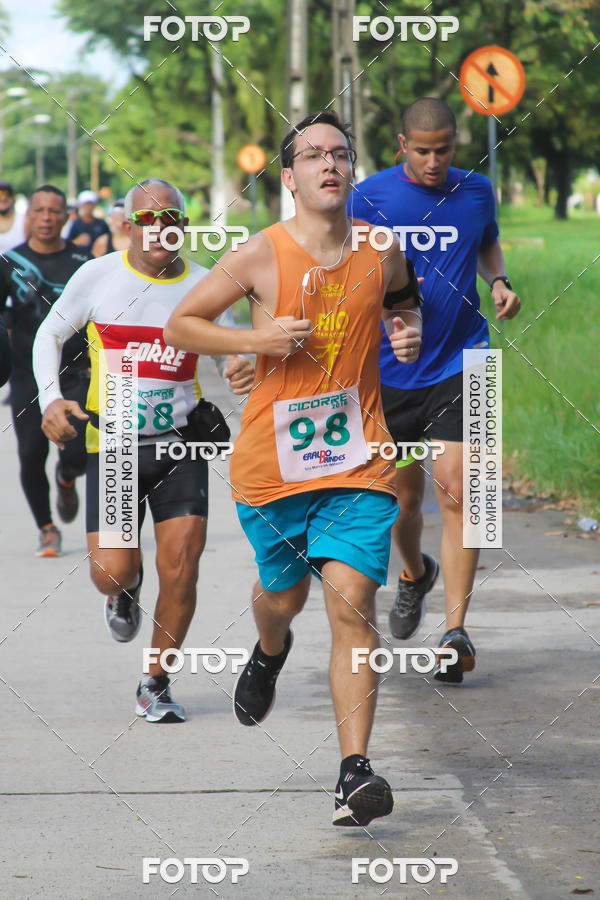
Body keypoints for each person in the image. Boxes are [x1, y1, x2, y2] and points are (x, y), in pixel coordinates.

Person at [164, 111, 423, 826]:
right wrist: (255, 339)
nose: (329, 164)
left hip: (360, 461)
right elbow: (181, 324)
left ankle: (353, 772)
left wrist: (409, 332)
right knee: (284, 599)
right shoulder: (257, 255)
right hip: (272, 470)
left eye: (340, 153)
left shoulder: (382, 249)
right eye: (312, 155)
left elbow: (404, 300)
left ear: (353, 170)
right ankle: (270, 649)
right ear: (289, 177)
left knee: (351, 605)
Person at [33, 178, 254, 723]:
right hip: (113, 446)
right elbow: (48, 336)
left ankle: (156, 681)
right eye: (148, 220)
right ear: (127, 227)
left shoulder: (205, 284)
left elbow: (234, 348)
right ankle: (122, 592)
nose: (161, 229)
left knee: (182, 567)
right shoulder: (97, 276)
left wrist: (240, 363)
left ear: (184, 226)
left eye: (172, 219)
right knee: (110, 572)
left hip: (180, 446)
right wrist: (50, 400)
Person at [351, 98, 521, 683]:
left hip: (465, 359)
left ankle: (455, 631)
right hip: (384, 369)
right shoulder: (367, 196)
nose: (432, 161)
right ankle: (413, 573)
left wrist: (498, 280)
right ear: (402, 145)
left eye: (443, 149)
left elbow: (485, 242)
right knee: (400, 500)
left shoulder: (477, 190)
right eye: (422, 151)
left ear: (456, 142)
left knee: (464, 491)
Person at [0, 184, 92, 556]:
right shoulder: (9, 263)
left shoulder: (86, 264)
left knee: (76, 453)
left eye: (54, 211)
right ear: (28, 217)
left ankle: (67, 478)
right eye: (38, 211)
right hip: (26, 376)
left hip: (77, 374)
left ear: (66, 218)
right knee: (30, 453)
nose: (46, 217)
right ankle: (47, 527)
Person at [0, 182, 26, 253]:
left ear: (13, 198)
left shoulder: (24, 221)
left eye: (7, 195)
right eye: (0, 195)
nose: (3, 198)